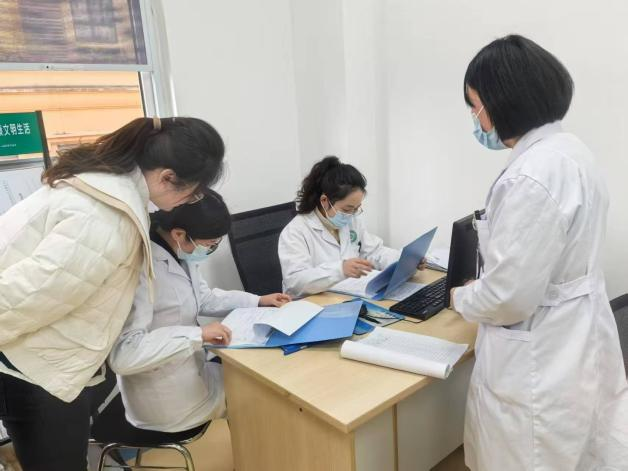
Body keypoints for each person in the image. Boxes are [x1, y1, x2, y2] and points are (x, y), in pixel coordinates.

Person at [0, 116, 225, 471]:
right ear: (167, 177)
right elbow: (22, 297)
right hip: (37, 370)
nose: (190, 200)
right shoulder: (106, 219)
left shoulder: (104, 186)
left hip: (45, 361)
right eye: (193, 192)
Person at [450, 35, 628, 470]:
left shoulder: (530, 177)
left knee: (530, 453)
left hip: (541, 356)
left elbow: (509, 298)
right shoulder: (570, 152)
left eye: (474, 105)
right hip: (572, 336)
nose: (475, 118)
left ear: (499, 102)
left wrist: (462, 296)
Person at [92, 190, 290, 444]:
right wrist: (197, 335)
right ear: (179, 234)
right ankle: (261, 456)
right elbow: (124, 353)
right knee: (260, 391)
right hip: (167, 403)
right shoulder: (140, 267)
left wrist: (258, 300)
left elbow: (203, 298)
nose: (210, 250)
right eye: (210, 244)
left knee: (254, 376)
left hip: (190, 372)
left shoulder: (179, 252)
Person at [278, 156, 401, 297]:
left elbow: (373, 251)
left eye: (356, 208)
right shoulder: (295, 231)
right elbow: (295, 282)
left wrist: (403, 260)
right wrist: (340, 270)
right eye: (347, 209)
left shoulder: (352, 219)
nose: (352, 214)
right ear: (324, 201)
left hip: (349, 295)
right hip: (313, 302)